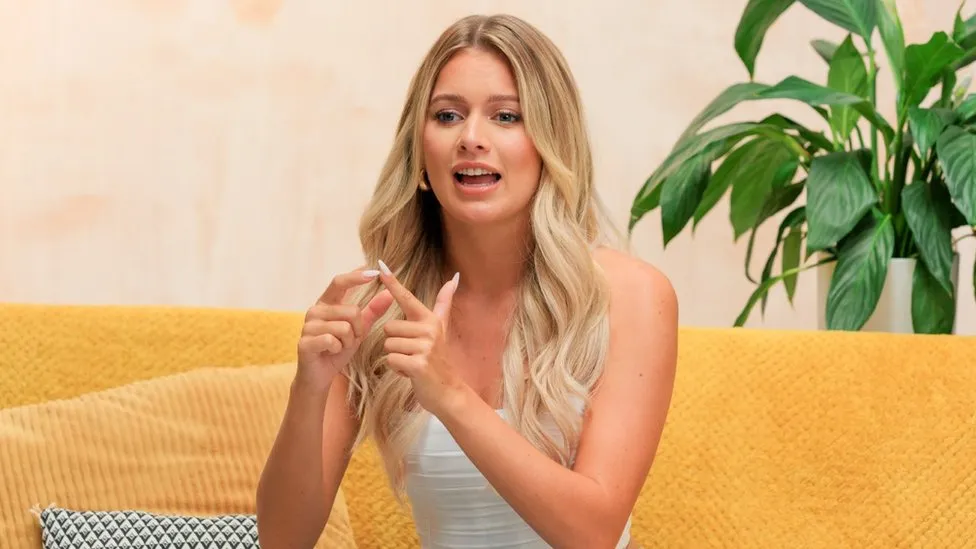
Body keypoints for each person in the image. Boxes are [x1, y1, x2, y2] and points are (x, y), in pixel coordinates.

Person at [256, 13, 678, 549]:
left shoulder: (630, 296)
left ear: (551, 142)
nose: (472, 138)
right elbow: (281, 540)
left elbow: (593, 532)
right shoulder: (379, 309)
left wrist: (449, 394)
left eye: (506, 116)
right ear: (419, 150)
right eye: (448, 115)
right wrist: (309, 388)